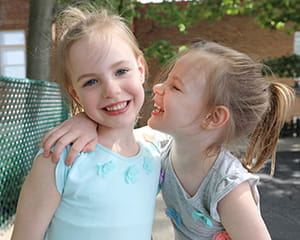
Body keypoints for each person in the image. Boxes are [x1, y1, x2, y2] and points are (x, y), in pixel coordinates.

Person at [41, 41, 295, 240]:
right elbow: (117, 134)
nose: (159, 87)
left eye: (175, 87)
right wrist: (85, 120)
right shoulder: (160, 146)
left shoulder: (227, 188)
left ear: (213, 117)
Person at [11, 6, 162, 240]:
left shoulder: (153, 158)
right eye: (91, 82)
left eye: (121, 71)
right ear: (75, 94)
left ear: (140, 70)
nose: (111, 90)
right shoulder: (59, 159)